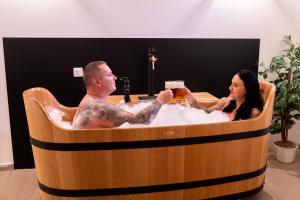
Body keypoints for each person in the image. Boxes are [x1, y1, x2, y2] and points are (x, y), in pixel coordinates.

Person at [72, 61, 173, 129]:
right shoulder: (96, 107)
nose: (115, 77)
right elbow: (141, 121)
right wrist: (161, 100)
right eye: (109, 75)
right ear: (97, 82)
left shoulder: (89, 100)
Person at [185, 69, 264, 120]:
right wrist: (191, 99)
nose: (230, 88)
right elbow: (206, 112)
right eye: (231, 84)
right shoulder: (228, 102)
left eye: (235, 85)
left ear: (248, 88)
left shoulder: (252, 113)